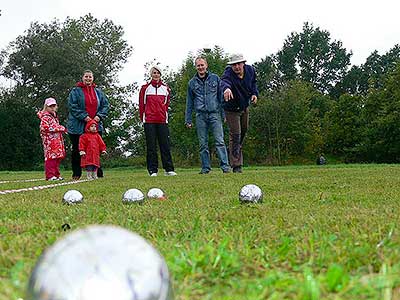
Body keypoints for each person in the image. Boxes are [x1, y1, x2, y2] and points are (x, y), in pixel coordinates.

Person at [185, 56, 230, 174]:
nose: (200, 67)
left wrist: (224, 114)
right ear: (196, 67)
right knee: (202, 143)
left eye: (202, 65)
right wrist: (188, 119)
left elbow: (221, 97)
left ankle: (225, 166)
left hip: (215, 114)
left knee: (219, 141)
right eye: (198, 65)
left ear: (206, 65)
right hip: (200, 115)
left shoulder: (215, 78)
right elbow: (189, 102)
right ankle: (205, 168)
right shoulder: (192, 83)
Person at [67, 70, 109, 180]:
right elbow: (72, 106)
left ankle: (98, 172)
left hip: (95, 125)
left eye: (90, 77)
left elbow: (105, 105)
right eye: (86, 76)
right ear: (82, 78)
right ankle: (76, 173)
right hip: (78, 126)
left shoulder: (99, 92)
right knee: (77, 149)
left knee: (96, 149)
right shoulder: (75, 91)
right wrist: (85, 117)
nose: (88, 79)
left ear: (93, 78)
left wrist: (98, 117)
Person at [220, 54, 258, 173]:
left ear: (243, 63)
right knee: (235, 134)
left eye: (238, 64)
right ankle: (237, 165)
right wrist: (226, 89)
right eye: (234, 65)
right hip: (231, 109)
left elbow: (254, 83)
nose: (236, 67)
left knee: (243, 131)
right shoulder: (228, 73)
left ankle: (232, 149)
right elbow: (224, 82)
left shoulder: (250, 70)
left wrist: (254, 94)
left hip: (244, 106)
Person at [139, 66, 177, 177]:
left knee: (165, 145)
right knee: (151, 146)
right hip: (149, 120)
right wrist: (143, 118)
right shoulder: (145, 88)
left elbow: (166, 104)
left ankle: (168, 169)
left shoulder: (166, 88)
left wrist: (164, 116)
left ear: (160, 75)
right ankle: (153, 170)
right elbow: (142, 105)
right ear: (151, 74)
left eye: (158, 73)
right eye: (154, 73)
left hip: (162, 120)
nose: (156, 75)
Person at [37, 97, 67, 181]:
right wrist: (59, 128)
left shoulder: (54, 117)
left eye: (54, 106)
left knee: (57, 158)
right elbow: (44, 128)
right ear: (46, 107)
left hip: (57, 142)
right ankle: (50, 175)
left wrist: (59, 128)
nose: (53, 108)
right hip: (49, 142)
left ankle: (56, 174)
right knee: (51, 158)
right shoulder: (45, 117)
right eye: (50, 106)